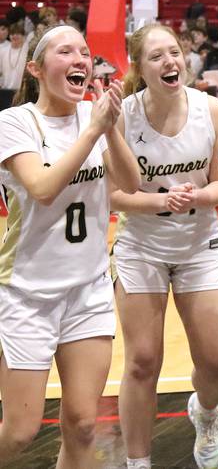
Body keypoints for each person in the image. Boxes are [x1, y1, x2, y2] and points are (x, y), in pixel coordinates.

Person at [0, 25, 139, 467]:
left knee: (82, 424)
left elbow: (132, 184)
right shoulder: (15, 122)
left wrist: (110, 128)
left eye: (85, 51)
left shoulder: (94, 118)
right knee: (20, 431)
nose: (80, 58)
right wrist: (92, 130)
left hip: (89, 289)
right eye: (66, 52)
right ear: (37, 68)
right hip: (26, 293)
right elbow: (42, 187)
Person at [111, 24, 218, 469]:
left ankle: (205, 413)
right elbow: (113, 195)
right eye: (157, 56)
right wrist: (161, 199)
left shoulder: (214, 111)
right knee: (142, 360)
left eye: (175, 52)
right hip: (141, 246)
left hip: (200, 243)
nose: (170, 62)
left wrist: (200, 196)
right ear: (140, 68)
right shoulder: (122, 114)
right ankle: (137, 462)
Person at [0, 23, 30, 107]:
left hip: (22, 91)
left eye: (18, 34)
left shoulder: (27, 50)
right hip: (5, 91)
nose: (14, 36)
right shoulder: (3, 51)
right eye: (12, 34)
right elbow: (1, 71)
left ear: (23, 36)